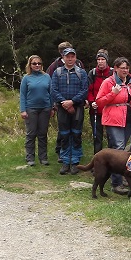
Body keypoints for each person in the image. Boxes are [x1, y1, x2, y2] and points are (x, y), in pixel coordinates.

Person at [95, 57, 131, 195]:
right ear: (115, 68)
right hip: (113, 119)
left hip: (128, 118)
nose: (125, 71)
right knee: (119, 149)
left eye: (127, 68)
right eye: (122, 68)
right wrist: (112, 93)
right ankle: (117, 183)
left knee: (121, 149)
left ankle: (116, 177)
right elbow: (99, 101)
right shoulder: (108, 82)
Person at [51, 47, 88, 175]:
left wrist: (72, 102)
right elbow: (53, 90)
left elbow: (84, 91)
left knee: (76, 134)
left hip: (77, 107)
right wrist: (64, 103)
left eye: (72, 56)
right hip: (62, 108)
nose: (70, 59)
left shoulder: (81, 73)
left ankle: (75, 161)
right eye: (68, 56)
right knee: (64, 134)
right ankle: (66, 161)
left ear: (75, 57)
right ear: (63, 58)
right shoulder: (57, 72)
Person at [20, 55, 53, 166]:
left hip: (45, 108)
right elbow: (22, 95)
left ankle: (43, 157)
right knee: (31, 133)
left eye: (39, 63)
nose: (37, 65)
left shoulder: (47, 77)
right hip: (31, 108)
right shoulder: (26, 78)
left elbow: (51, 93)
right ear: (30, 65)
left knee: (42, 134)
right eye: (34, 63)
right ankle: (30, 158)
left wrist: (52, 107)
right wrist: (23, 110)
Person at [87, 49, 113, 154]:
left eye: (102, 59)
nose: (100, 61)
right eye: (98, 59)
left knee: (111, 136)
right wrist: (91, 101)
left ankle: (111, 160)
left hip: (109, 109)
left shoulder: (112, 73)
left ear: (106, 61)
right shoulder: (92, 73)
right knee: (97, 136)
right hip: (96, 109)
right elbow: (89, 90)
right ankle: (97, 160)